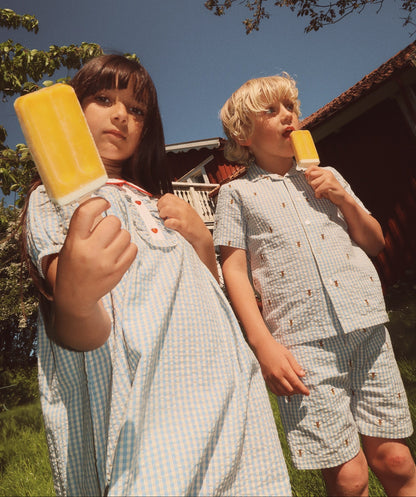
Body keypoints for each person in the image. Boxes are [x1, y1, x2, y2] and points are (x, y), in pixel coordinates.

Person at [21, 56, 292, 496]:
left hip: (221, 385)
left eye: (137, 109)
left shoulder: (160, 203)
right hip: (147, 401)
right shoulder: (58, 200)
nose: (120, 115)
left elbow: (207, 293)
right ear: (72, 110)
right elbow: (74, 328)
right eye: (104, 99)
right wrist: (75, 300)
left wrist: (203, 244)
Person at [214, 74, 416, 497]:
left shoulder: (329, 177)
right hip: (303, 346)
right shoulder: (236, 195)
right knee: (349, 478)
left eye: (290, 107)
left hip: (366, 327)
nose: (287, 115)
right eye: (270, 111)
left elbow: (375, 240)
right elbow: (234, 272)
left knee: (396, 460)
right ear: (243, 134)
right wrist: (263, 345)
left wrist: (342, 198)